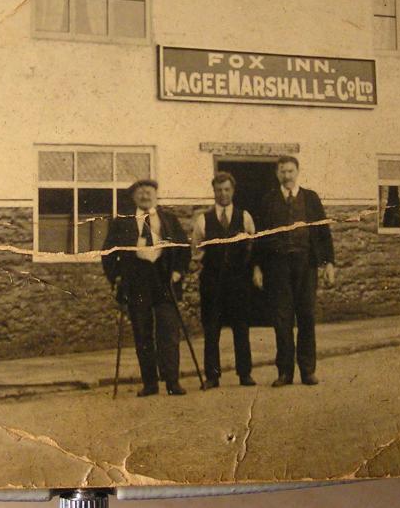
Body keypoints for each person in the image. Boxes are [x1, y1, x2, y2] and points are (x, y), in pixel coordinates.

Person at [102, 179, 191, 396]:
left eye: (149, 192)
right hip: (137, 281)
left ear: (156, 195)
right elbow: (108, 253)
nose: (145, 196)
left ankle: (172, 382)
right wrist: (117, 277)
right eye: (140, 192)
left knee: (168, 331)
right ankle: (150, 384)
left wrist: (178, 272)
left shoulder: (168, 219)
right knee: (142, 333)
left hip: (164, 280)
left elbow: (184, 248)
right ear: (133, 197)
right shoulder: (121, 222)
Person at [255, 155, 335, 387]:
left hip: (306, 265)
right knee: (282, 319)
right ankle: (285, 373)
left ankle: (308, 371)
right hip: (277, 266)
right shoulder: (268, 200)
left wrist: (329, 262)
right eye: (283, 172)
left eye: (290, 171)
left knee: (307, 316)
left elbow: (323, 232)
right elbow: (260, 236)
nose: (287, 176)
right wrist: (257, 266)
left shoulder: (311, 198)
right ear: (277, 174)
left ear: (297, 172)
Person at [192, 171, 257, 388]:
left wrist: (244, 268)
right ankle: (212, 376)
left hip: (238, 282)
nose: (223, 194)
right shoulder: (203, 220)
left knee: (241, 328)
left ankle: (245, 374)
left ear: (233, 191)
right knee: (211, 330)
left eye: (227, 189)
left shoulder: (244, 216)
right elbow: (196, 251)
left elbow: (252, 244)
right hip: (212, 282)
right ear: (213, 192)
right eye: (219, 190)